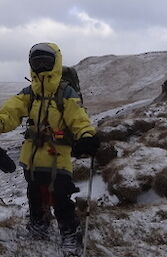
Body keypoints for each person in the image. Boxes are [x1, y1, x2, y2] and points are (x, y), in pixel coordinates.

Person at [0, 42, 99, 256]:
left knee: (61, 194)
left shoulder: (66, 93)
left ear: (55, 63)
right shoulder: (29, 94)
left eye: (46, 62)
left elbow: (79, 120)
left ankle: (69, 232)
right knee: (34, 192)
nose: (41, 67)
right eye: (37, 62)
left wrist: (87, 136)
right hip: (32, 156)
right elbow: (9, 114)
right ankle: (39, 224)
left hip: (58, 155)